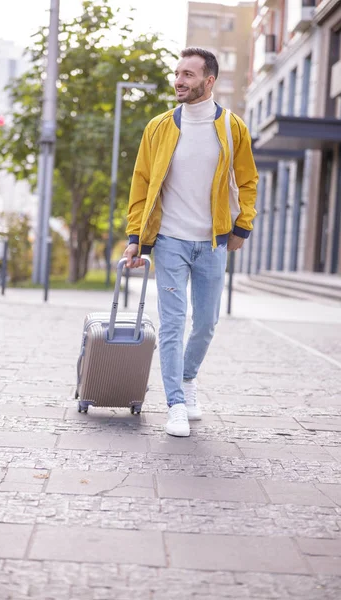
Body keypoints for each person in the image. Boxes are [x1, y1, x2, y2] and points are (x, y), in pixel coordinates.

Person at [124, 47, 258, 437]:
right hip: (169, 242)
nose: (179, 81)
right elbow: (142, 184)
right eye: (178, 73)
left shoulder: (233, 128)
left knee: (205, 324)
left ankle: (187, 377)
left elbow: (247, 181)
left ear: (209, 81)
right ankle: (175, 404)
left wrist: (241, 228)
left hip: (213, 243)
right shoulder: (159, 127)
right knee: (172, 324)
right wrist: (136, 238)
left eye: (188, 75)